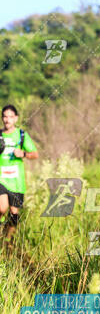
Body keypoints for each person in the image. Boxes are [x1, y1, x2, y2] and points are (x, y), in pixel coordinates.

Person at [0, 105, 38, 246]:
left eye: (10, 116)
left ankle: (7, 241)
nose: (7, 119)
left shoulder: (22, 135)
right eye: (5, 116)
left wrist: (23, 154)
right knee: (2, 207)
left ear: (16, 118)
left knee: (14, 213)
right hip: (1, 179)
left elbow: (35, 154)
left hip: (16, 181)